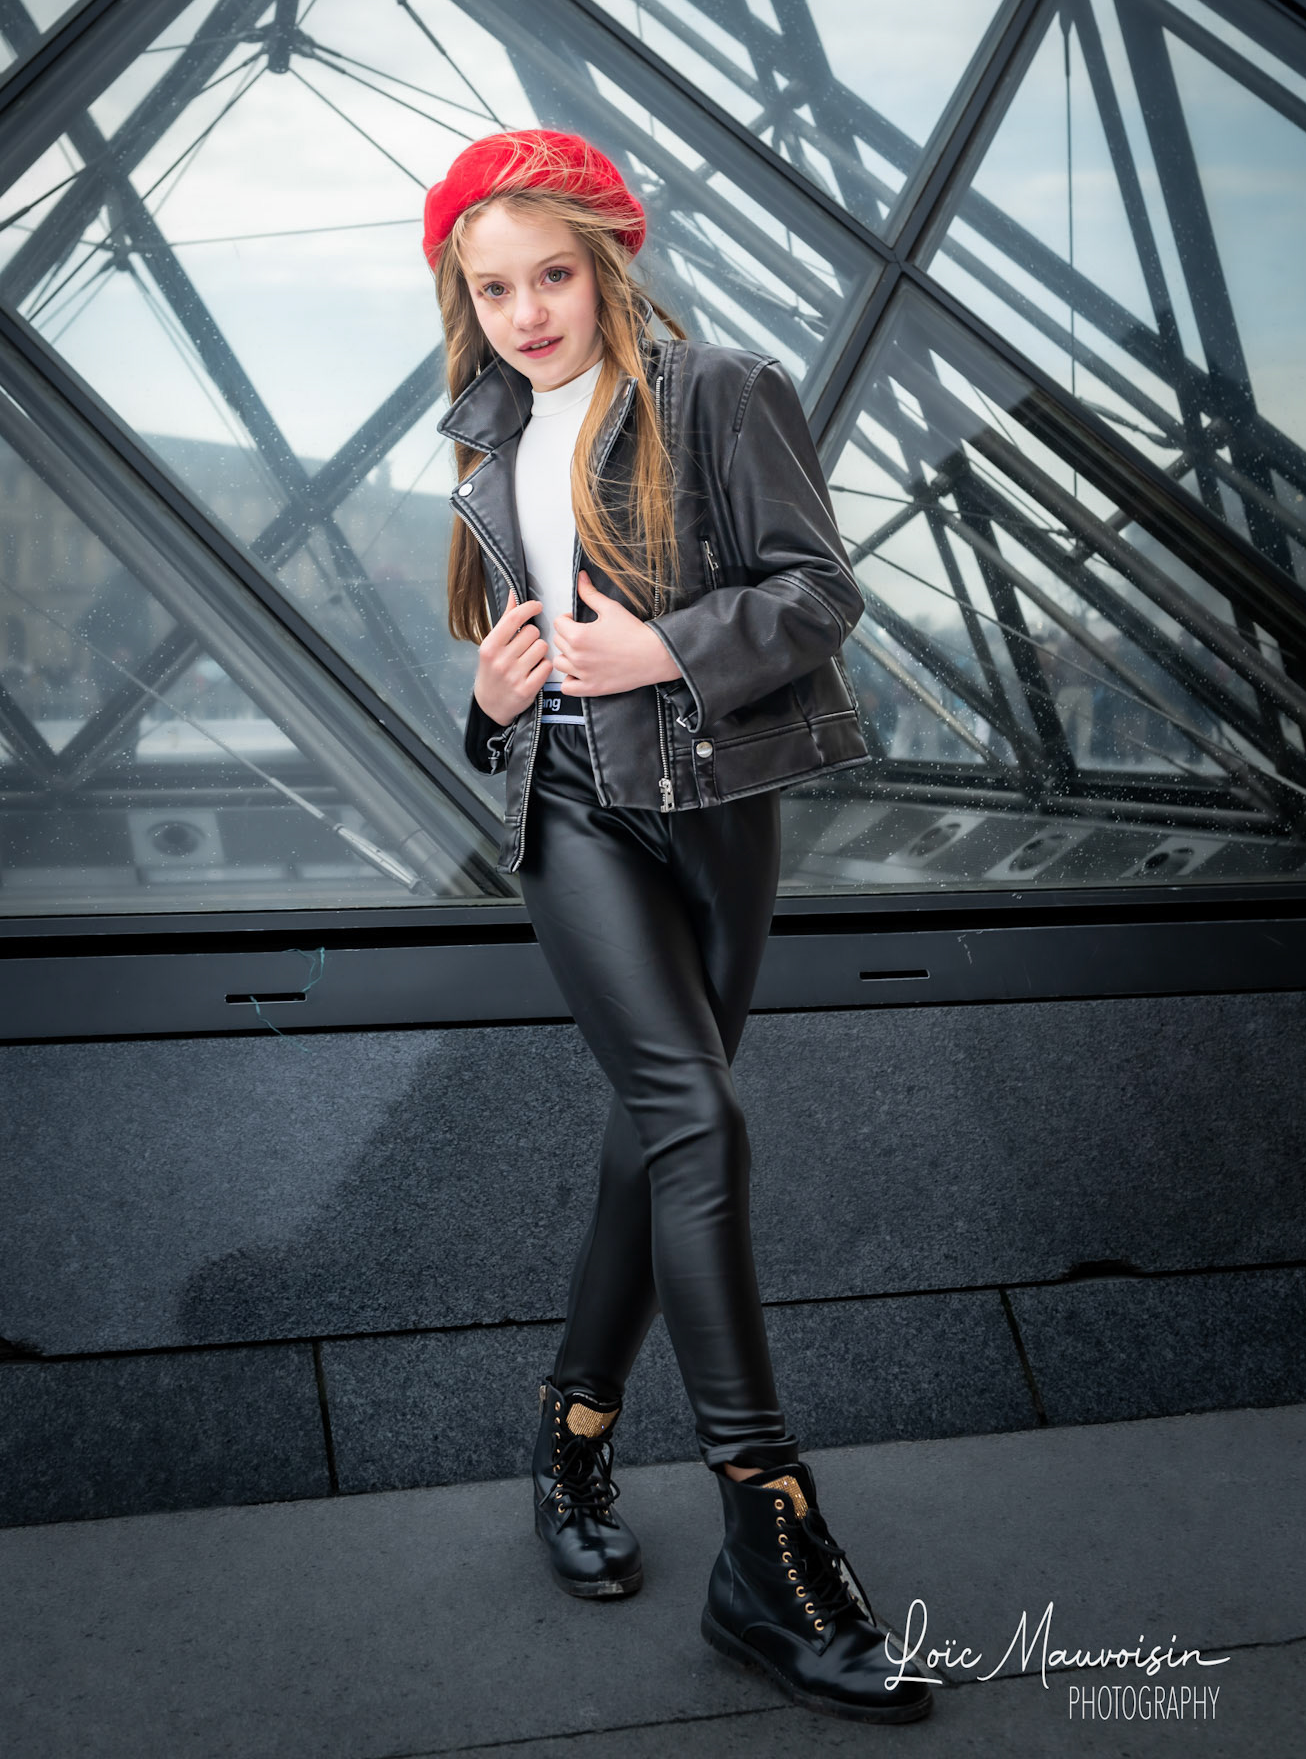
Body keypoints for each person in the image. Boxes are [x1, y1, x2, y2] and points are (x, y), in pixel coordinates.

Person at [426, 128, 931, 1726]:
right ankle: (769, 1534)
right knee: (698, 1119)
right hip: (571, 810)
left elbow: (818, 590)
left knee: (656, 1136)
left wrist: (665, 651)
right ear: (463, 298)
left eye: (550, 277)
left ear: (608, 264)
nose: (525, 314)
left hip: (715, 807)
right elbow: (512, 669)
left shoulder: (720, 390)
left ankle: (572, 1436)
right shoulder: (487, 435)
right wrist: (488, 703)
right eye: (492, 288)